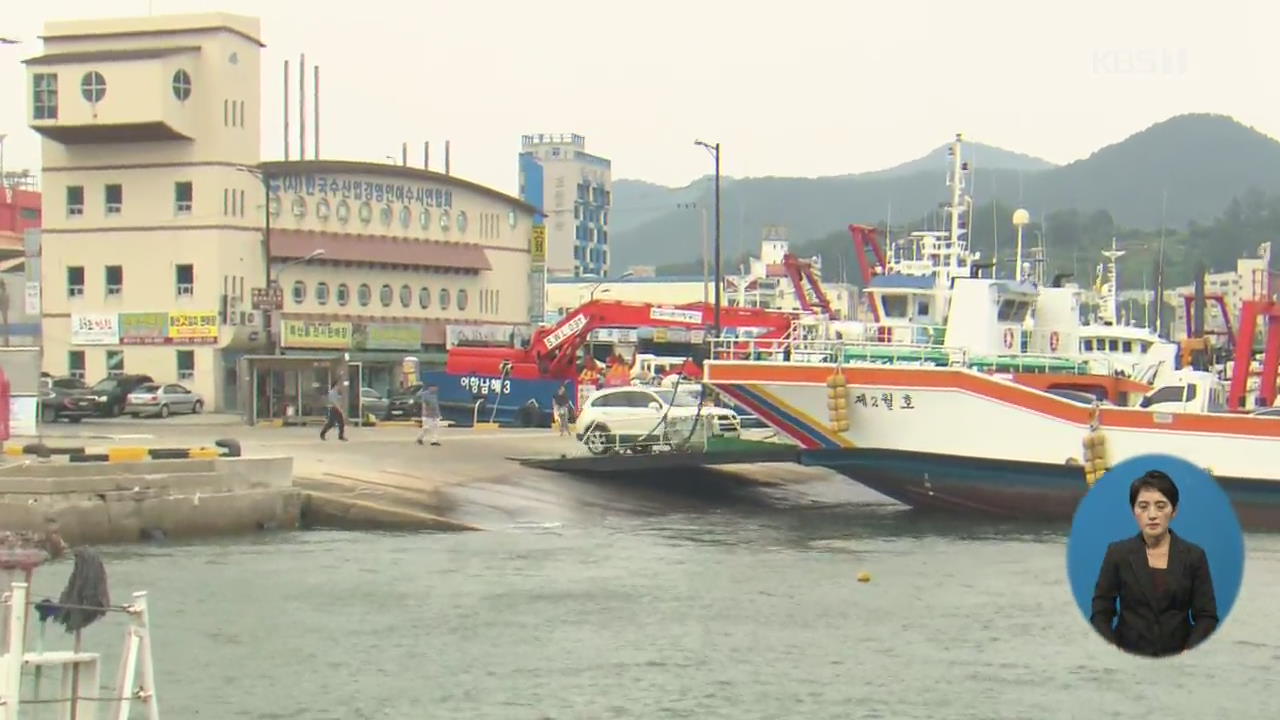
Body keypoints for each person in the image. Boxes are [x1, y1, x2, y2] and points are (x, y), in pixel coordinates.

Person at [1089, 470, 1218, 657]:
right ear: (1134, 511)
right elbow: (1101, 611)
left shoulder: (1194, 556)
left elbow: (1206, 616)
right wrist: (1112, 649)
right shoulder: (1118, 553)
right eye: (1143, 506)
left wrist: (1188, 652)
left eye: (1160, 506)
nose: (1152, 515)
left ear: (1174, 511)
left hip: (1178, 658)